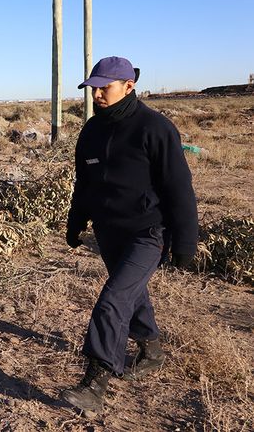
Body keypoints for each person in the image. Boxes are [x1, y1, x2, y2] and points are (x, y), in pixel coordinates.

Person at [61, 57, 198, 414]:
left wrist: (185, 241)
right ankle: (151, 349)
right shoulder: (91, 131)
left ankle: (96, 380)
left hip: (147, 231)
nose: (97, 94)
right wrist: (77, 222)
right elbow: (85, 183)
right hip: (109, 232)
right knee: (131, 293)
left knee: (113, 300)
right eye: (94, 87)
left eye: (104, 87)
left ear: (129, 85)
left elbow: (178, 187)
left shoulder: (154, 128)